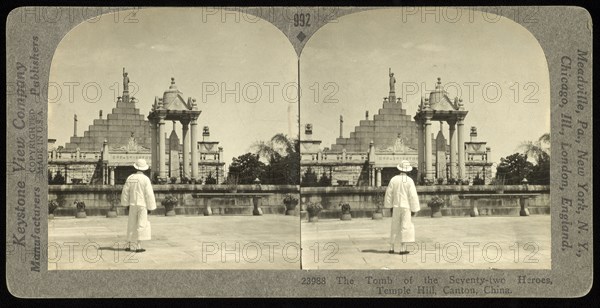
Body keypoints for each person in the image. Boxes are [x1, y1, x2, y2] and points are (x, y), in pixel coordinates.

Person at [384, 160, 420, 255]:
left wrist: (389, 205)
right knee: (405, 226)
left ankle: (391, 247)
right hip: (406, 206)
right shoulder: (409, 180)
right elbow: (413, 195)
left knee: (394, 225)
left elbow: (389, 193)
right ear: (408, 170)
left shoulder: (393, 179)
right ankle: (402, 248)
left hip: (396, 206)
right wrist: (414, 208)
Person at [121, 159, 156, 253]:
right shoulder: (145, 179)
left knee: (131, 224)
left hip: (132, 204)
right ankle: (138, 246)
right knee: (141, 224)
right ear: (144, 169)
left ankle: (128, 244)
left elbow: (125, 192)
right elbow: (149, 194)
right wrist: (150, 207)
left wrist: (125, 204)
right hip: (142, 204)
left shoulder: (130, 177)